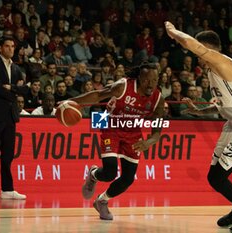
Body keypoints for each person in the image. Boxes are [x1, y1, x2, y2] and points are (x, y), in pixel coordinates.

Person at [165, 21, 232, 232]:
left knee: (217, 178)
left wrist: (174, 33)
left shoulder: (222, 62)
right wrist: (199, 112)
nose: (197, 57)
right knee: (215, 174)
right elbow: (221, 105)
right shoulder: (211, 72)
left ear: (209, 48)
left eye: (200, 51)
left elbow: (192, 44)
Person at [70, 63, 164, 220]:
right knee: (110, 172)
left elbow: (157, 129)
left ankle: (102, 201)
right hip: (110, 125)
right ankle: (94, 174)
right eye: (147, 80)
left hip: (133, 133)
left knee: (128, 179)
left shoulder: (158, 99)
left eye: (154, 80)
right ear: (139, 78)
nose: (150, 84)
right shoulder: (123, 86)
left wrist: (149, 142)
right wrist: (72, 101)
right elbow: (97, 95)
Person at [0, 36, 27, 202]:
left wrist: (12, 88)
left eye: (12, 46)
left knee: (8, 154)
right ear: (0, 47)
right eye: (7, 46)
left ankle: (7, 189)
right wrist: (13, 91)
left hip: (10, 115)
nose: (10, 49)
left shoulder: (16, 68)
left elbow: (24, 91)